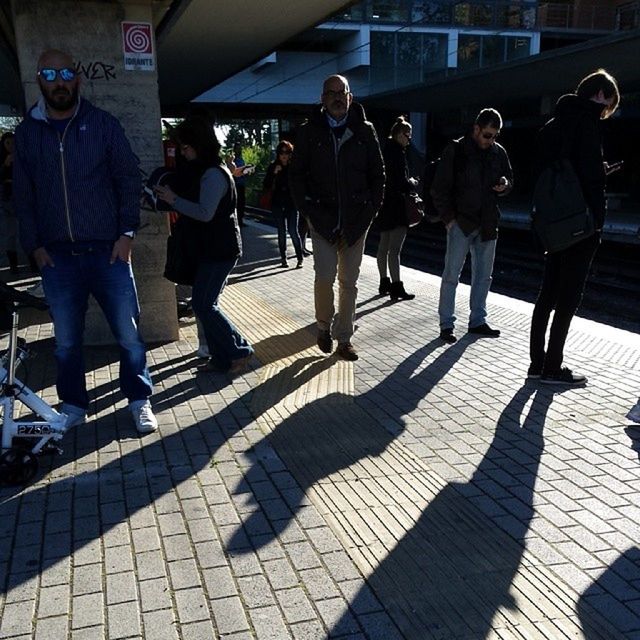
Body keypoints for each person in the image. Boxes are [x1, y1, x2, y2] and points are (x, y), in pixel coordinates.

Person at [12, 49, 157, 434]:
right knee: (66, 342)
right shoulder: (28, 134)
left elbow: (128, 178)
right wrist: (34, 246)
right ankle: (74, 404)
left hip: (108, 251)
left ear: (77, 79)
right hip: (57, 257)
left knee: (128, 334)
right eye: (49, 73)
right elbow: (22, 196)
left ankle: (139, 400)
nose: (58, 81)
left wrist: (127, 233)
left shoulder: (103, 124)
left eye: (65, 73)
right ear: (39, 80)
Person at [529, 69, 620, 385]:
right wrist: (597, 220)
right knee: (569, 297)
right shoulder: (588, 124)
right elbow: (591, 179)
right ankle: (554, 367)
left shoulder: (552, 125)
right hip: (580, 225)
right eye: (608, 103)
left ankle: (537, 364)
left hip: (552, 222)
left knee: (548, 293)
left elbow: (550, 173)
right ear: (600, 95)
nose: (606, 110)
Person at [289, 74, 385, 361]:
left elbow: (378, 175)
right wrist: (308, 211)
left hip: (356, 221)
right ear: (322, 99)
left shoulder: (365, 131)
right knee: (324, 276)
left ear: (350, 97)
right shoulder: (309, 132)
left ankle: (344, 338)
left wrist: (370, 211)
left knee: (349, 282)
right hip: (322, 219)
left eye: (341, 92)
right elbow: (296, 176)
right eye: (330, 93)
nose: (336, 97)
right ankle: (322, 326)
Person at [154, 117, 254, 376]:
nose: (184, 153)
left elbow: (204, 212)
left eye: (186, 147)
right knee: (205, 304)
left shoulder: (212, 174)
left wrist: (174, 200)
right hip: (213, 248)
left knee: (203, 304)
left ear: (198, 145)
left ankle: (239, 350)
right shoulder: (208, 170)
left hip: (219, 250)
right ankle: (221, 358)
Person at [431, 108, 513, 344]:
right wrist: (449, 220)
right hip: (462, 223)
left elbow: (510, 179)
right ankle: (446, 325)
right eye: (487, 135)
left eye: (495, 136)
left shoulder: (499, 153)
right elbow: (440, 188)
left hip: (487, 222)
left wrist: (505, 185)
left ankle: (477, 321)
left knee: (483, 277)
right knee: (451, 276)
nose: (491, 140)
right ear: (476, 129)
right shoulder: (456, 150)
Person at [376, 116, 417, 301]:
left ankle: (384, 281)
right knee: (395, 250)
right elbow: (400, 181)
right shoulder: (398, 153)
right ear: (400, 134)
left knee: (383, 246)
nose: (409, 140)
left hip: (384, 205)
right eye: (408, 136)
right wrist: (412, 182)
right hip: (397, 206)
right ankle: (396, 286)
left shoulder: (384, 150)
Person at [263, 140, 303, 269]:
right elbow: (266, 185)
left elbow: (300, 185)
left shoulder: (294, 167)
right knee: (281, 231)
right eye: (282, 152)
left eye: (287, 152)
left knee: (293, 231)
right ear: (278, 154)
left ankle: (299, 256)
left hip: (292, 204)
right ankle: (283, 258)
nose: (284, 155)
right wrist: (274, 173)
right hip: (278, 203)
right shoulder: (273, 167)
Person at [0, 132, 18, 273]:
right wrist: (5, 165)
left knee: (26, 230)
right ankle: (13, 265)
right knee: (10, 233)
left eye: (13, 143)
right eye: (8, 143)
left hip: (22, 196)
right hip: (7, 199)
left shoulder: (22, 155)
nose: (11, 146)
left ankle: (33, 262)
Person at [231, 143, 247, 227]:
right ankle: (236, 220)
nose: (239, 150)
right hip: (236, 184)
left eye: (240, 148)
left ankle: (240, 219)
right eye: (238, 148)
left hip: (242, 183)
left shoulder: (241, 159)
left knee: (242, 203)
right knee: (237, 203)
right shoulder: (233, 160)